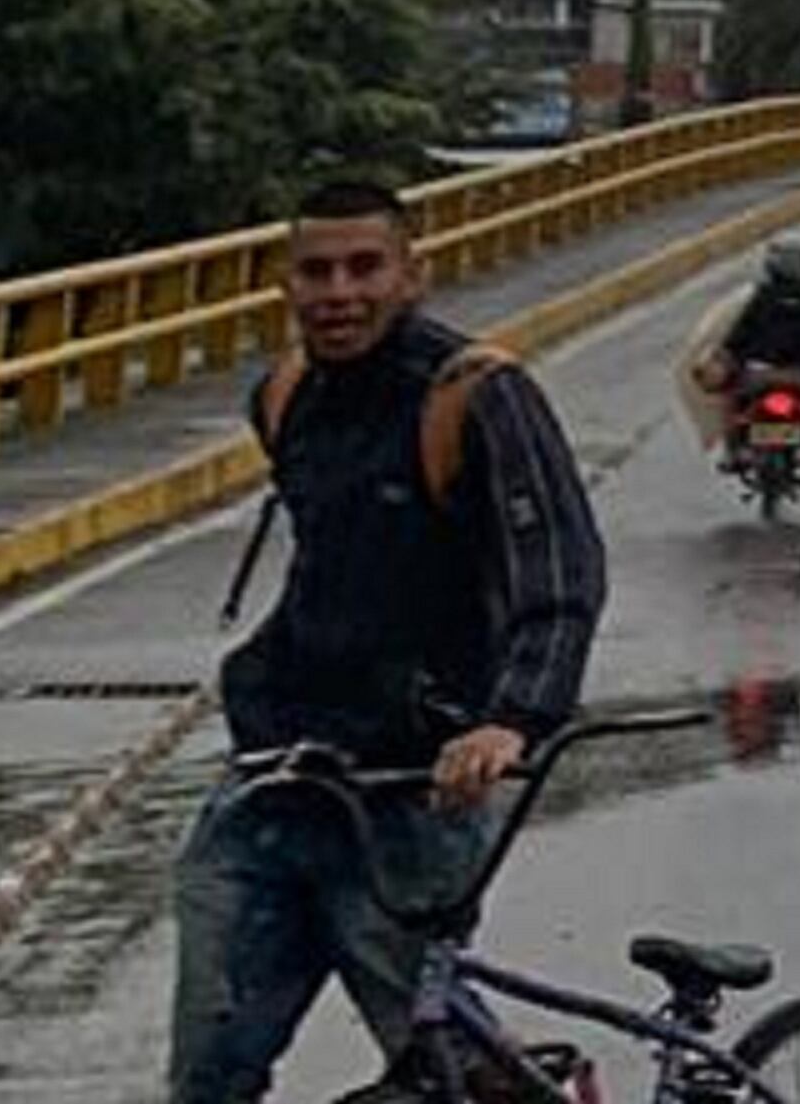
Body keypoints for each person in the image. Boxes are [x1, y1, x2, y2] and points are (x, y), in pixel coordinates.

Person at [175, 177, 606, 1104]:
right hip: (275, 778)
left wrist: (510, 720)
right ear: (285, 284)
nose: (340, 291)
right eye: (316, 271)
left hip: (410, 792)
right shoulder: (285, 396)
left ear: (414, 274)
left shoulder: (480, 397)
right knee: (208, 1072)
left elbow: (562, 578)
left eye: (365, 266)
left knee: (449, 1074)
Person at [687, 242, 800, 467]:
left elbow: (738, 337)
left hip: (759, 375)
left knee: (729, 398)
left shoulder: (761, 298)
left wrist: (722, 358)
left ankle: (732, 450)